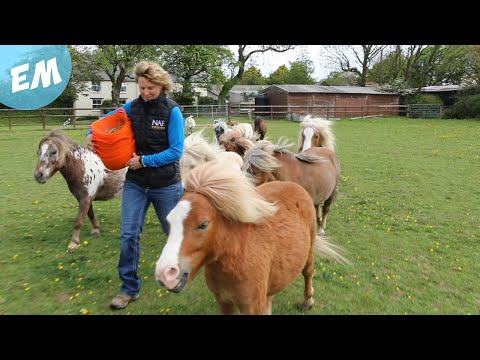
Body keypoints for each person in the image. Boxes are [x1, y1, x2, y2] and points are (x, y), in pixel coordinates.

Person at [86, 61, 184, 310]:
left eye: (150, 88)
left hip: (166, 185)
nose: (145, 93)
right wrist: (91, 134)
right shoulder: (133, 107)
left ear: (162, 85)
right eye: (141, 87)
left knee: (174, 233)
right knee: (128, 234)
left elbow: (176, 151)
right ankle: (129, 288)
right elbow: (105, 120)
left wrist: (143, 160)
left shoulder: (172, 112)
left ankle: (179, 273)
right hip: (137, 184)